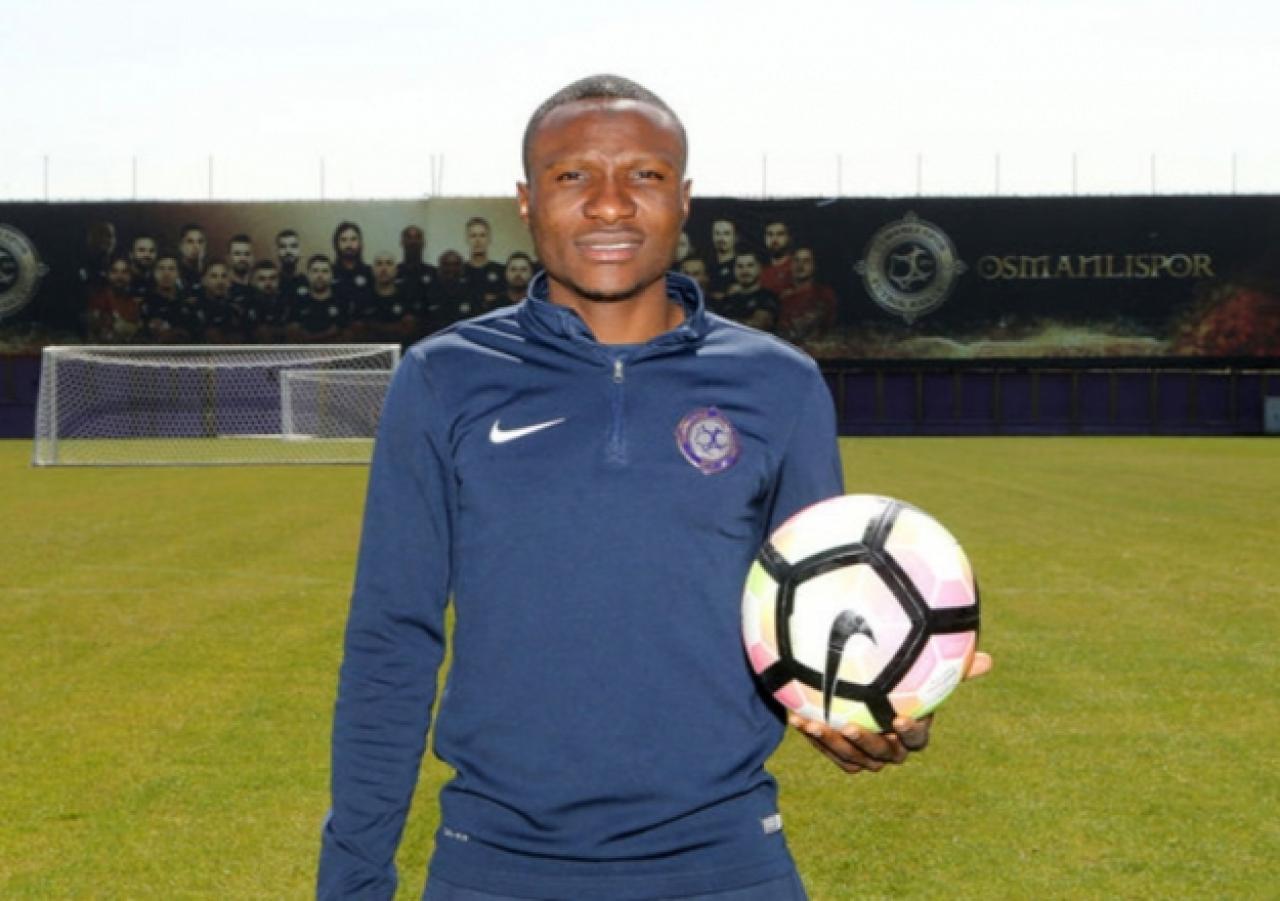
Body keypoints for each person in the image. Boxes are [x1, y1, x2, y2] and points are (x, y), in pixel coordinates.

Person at [319, 74, 990, 901]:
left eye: (644, 174)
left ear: (684, 199)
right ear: (526, 200)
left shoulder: (780, 386)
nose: (610, 203)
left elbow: (814, 617)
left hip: (728, 864)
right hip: (494, 865)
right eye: (573, 175)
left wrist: (870, 704)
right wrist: (352, 883)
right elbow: (391, 642)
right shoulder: (442, 379)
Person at [778, 246, 838, 345]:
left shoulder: (824, 294)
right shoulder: (781, 296)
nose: (800, 265)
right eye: (796, 260)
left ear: (814, 266)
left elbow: (807, 328)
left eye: (806, 261)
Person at [760, 220, 793, 296]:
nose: (774, 239)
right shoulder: (759, 270)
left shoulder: (797, 267)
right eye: (770, 234)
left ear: (788, 238)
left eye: (780, 234)